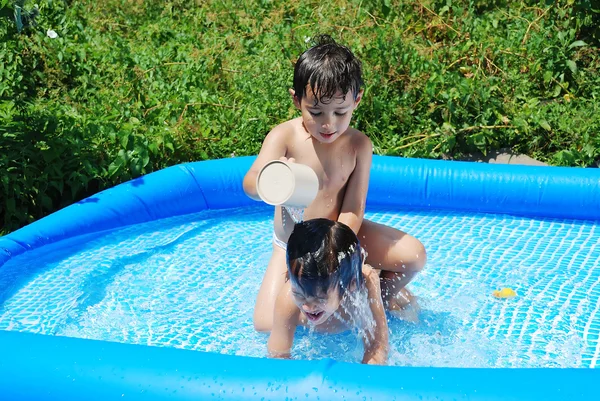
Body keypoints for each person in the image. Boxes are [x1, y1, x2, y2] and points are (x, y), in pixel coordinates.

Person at [242, 34, 426, 333]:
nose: (328, 124)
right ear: (296, 99)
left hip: (341, 235)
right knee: (266, 324)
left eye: (341, 112)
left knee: (413, 256)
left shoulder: (358, 145)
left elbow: (354, 206)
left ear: (357, 99)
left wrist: (337, 253)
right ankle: (343, 291)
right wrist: (274, 176)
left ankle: (381, 293)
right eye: (315, 112)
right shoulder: (284, 137)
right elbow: (249, 184)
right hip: (293, 245)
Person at [268, 219, 388, 364]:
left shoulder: (365, 286)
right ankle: (279, 251)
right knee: (263, 324)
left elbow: (377, 346)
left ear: (351, 285)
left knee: (398, 304)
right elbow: (278, 357)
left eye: (320, 299)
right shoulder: (288, 300)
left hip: (358, 276)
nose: (308, 307)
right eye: (299, 294)